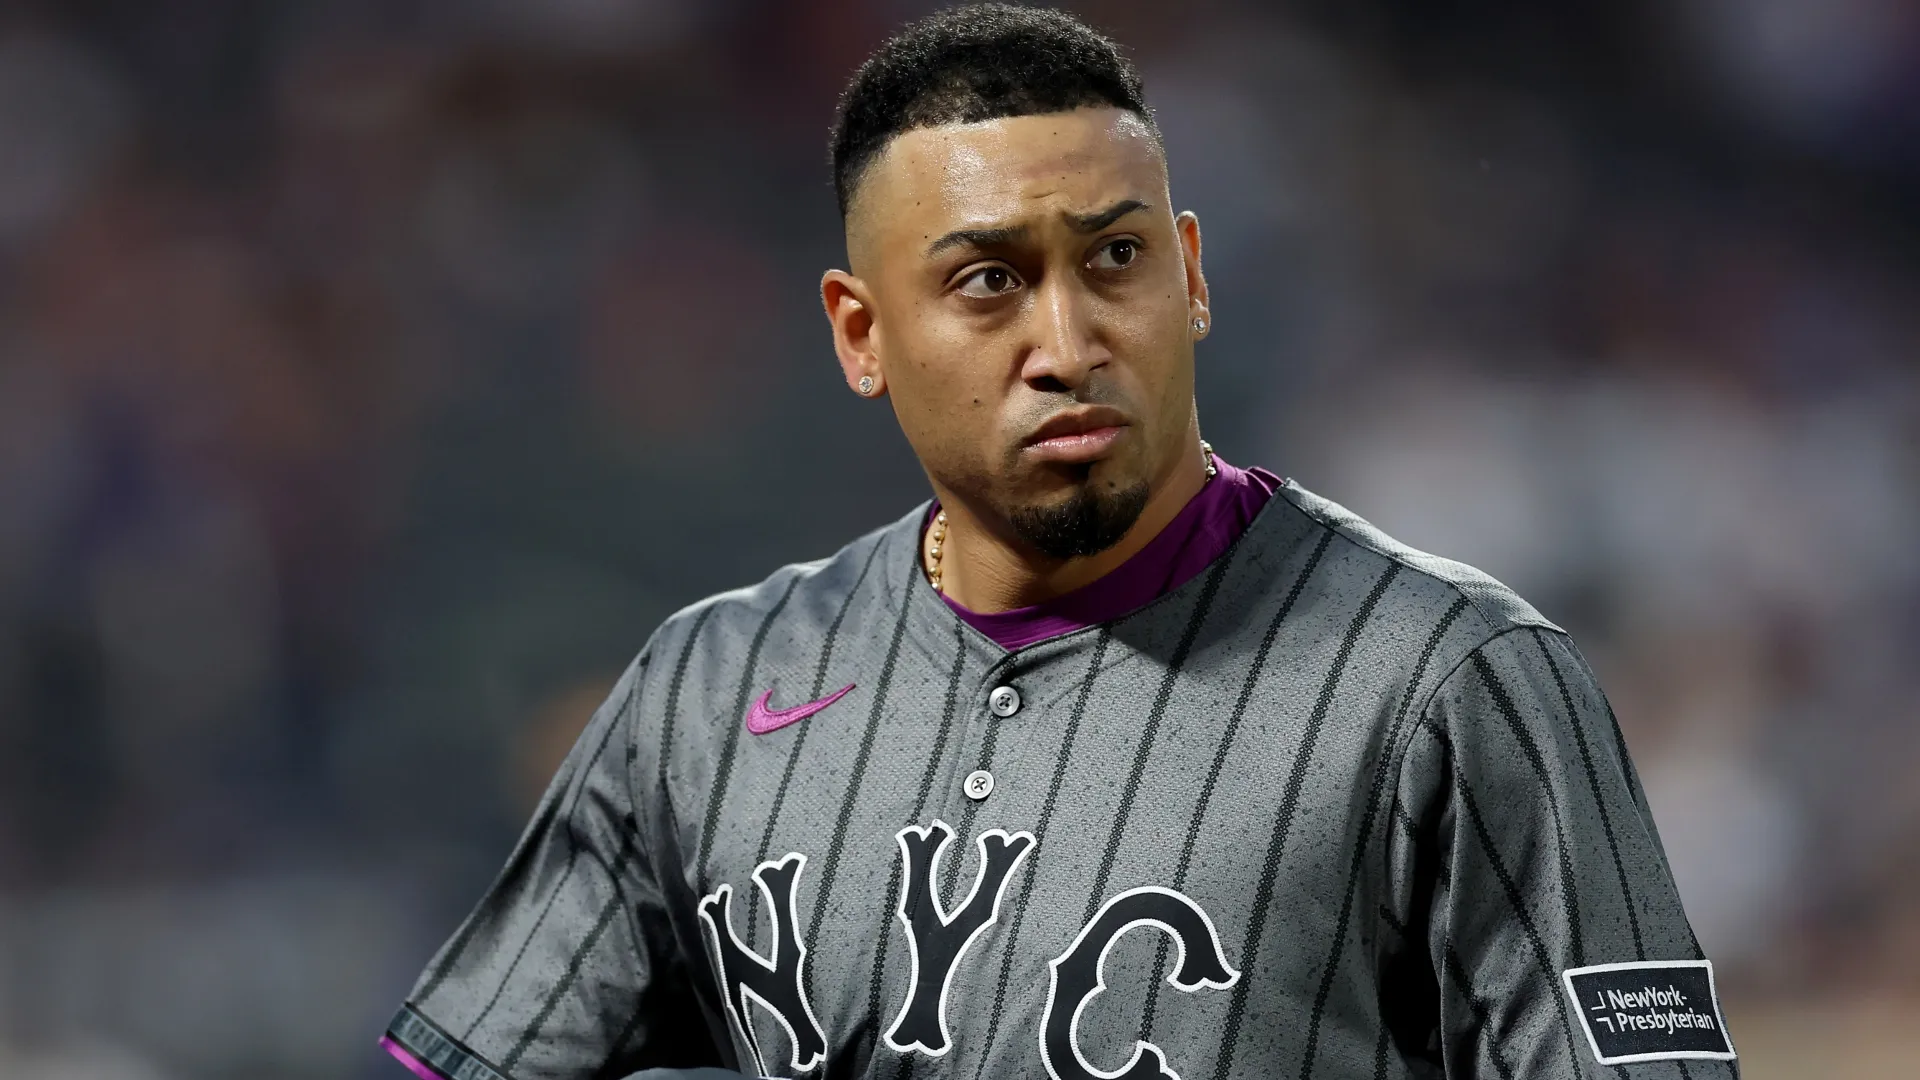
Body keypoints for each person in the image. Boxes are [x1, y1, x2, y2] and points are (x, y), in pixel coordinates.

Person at [379, 6, 1738, 1079]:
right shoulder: (711, 691)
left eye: (1116, 261)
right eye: (987, 283)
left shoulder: (1451, 680)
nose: (1070, 342)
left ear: (1192, 276)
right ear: (862, 335)